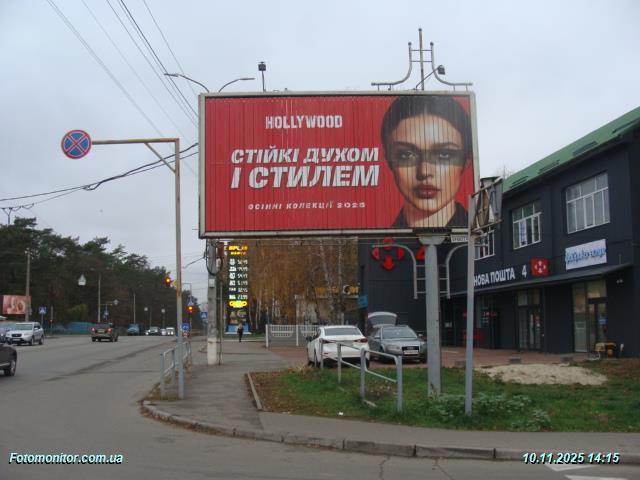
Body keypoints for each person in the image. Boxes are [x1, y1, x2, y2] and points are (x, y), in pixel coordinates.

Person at [381, 95, 473, 228]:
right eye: (406, 155)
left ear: (467, 161)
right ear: (389, 161)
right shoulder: (378, 242)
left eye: (444, 154)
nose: (424, 172)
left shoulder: (478, 239)